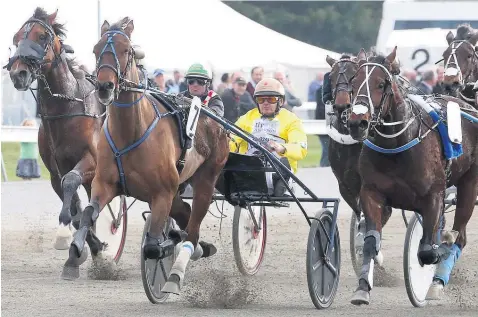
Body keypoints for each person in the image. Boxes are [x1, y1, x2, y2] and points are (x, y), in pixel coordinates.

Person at [229, 78, 308, 196]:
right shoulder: (247, 118)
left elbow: (300, 147)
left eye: (271, 99)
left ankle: (285, 185)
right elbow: (232, 138)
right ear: (257, 101)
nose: (265, 103)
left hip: (279, 169)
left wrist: (281, 147)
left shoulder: (291, 120)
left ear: (280, 101)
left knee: (282, 169)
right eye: (261, 99)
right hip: (251, 168)